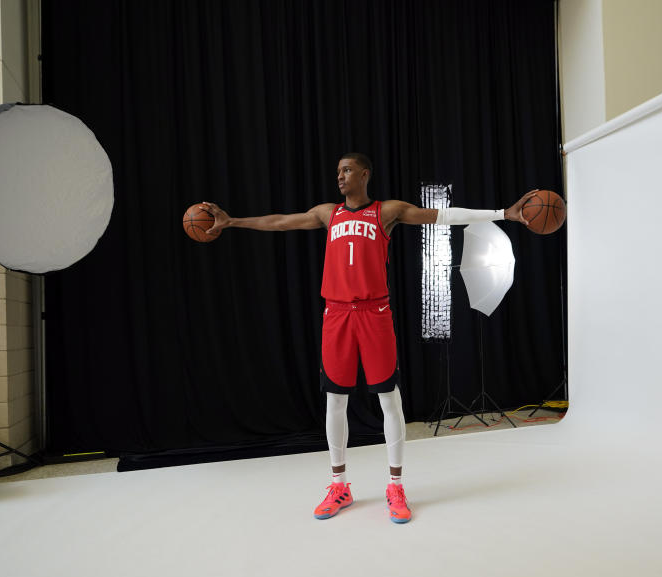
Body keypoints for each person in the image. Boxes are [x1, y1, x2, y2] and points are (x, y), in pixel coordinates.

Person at [200, 153, 535, 524]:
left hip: (374, 313)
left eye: (346, 171)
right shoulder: (329, 214)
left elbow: (443, 216)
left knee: (389, 400)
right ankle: (339, 484)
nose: (340, 177)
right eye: (337, 172)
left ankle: (395, 486)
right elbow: (280, 222)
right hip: (337, 314)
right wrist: (232, 222)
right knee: (335, 401)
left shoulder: (387, 211)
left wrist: (504, 213)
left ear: (364, 174)